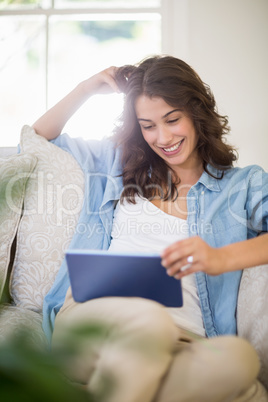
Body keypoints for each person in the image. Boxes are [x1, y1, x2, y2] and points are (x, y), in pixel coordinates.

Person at [32, 55, 268, 402]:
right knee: (150, 324)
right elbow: (38, 139)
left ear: (196, 112)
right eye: (148, 125)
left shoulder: (243, 185)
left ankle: (113, 388)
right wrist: (86, 89)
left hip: (183, 340)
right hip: (93, 321)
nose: (163, 137)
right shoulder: (117, 163)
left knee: (240, 360)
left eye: (172, 120)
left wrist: (220, 258)